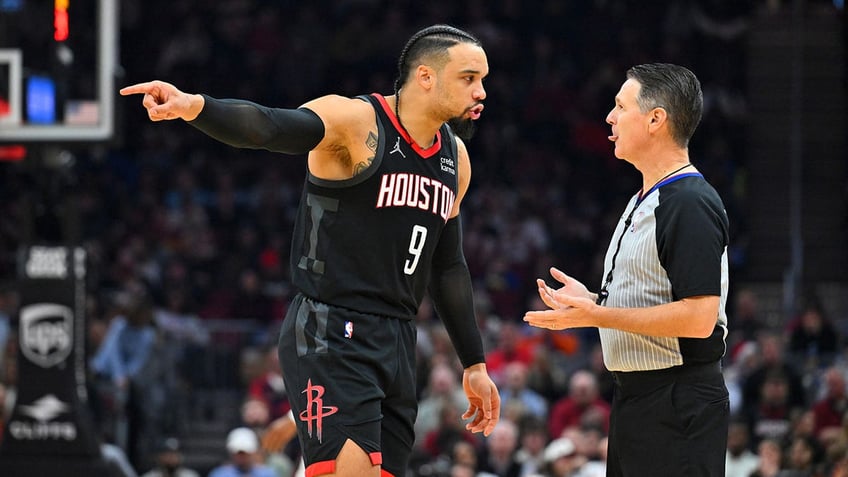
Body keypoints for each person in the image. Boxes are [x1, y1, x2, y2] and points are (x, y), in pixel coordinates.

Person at [121, 23, 500, 477]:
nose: (481, 91)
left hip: (398, 339)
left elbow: (448, 266)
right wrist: (194, 107)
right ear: (425, 77)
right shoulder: (355, 122)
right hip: (331, 325)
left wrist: (474, 363)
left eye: (483, 80)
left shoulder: (455, 159)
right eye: (469, 77)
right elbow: (268, 126)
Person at [524, 63, 730, 476]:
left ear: (656, 119)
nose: (609, 117)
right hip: (636, 397)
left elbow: (699, 317)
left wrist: (598, 315)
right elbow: (656, 297)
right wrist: (597, 300)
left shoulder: (688, 202)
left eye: (620, 106)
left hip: (678, 401)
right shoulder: (644, 197)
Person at [208, 427, 276, 477]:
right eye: (239, 453)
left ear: (254, 452)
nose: (242, 457)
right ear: (231, 453)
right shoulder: (220, 474)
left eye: (245, 453)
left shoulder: (267, 474)